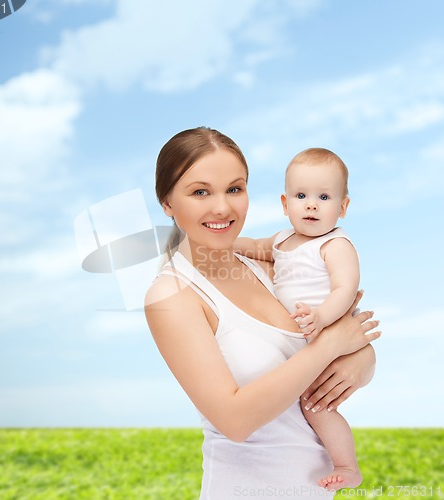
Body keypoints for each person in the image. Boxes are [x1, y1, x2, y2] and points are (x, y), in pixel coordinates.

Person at [144, 127, 380, 499]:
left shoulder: (271, 268)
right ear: (167, 202)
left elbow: (343, 332)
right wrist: (331, 346)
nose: (222, 207)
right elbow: (235, 420)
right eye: (200, 192)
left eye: (234, 189)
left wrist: (364, 360)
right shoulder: (171, 295)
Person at [233, 148, 362, 491]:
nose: (311, 205)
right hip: (301, 339)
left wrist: (321, 316)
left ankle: (347, 465)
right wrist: (227, 244)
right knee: (297, 395)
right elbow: (255, 245)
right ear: (284, 202)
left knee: (317, 405)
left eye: (324, 196)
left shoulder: (335, 245)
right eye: (301, 195)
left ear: (343, 207)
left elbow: (345, 289)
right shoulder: (282, 241)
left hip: (327, 333)